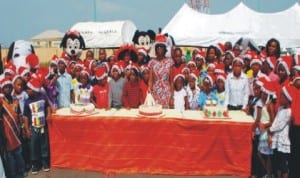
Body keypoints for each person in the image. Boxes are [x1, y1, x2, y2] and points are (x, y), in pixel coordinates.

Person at [23, 78, 51, 175]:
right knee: (34, 147)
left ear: (34, 89)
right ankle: (35, 164)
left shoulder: (43, 97)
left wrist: (48, 114)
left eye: (29, 89)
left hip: (43, 127)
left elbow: (47, 106)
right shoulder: (27, 102)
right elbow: (26, 116)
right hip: (33, 128)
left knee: (44, 146)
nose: (27, 91)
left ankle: (45, 163)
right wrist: (26, 129)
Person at [0, 78, 25, 178]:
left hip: (17, 131)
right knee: (10, 156)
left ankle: (21, 171)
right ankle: (13, 174)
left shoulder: (15, 100)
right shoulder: (1, 103)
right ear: (2, 89)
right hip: (7, 133)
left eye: (9, 87)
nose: (8, 89)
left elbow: (19, 115)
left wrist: (22, 128)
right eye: (5, 87)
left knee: (19, 153)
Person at [267, 86, 293, 178]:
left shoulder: (289, 112)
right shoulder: (281, 109)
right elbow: (275, 121)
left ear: (287, 98)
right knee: (277, 164)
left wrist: (270, 130)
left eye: (282, 96)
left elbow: (280, 125)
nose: (279, 98)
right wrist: (271, 133)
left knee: (283, 165)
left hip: (282, 140)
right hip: (276, 139)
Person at [255, 80, 275, 178]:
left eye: (265, 93)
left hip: (267, 132)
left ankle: (269, 174)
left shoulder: (269, 105)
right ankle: (268, 173)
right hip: (263, 132)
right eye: (262, 93)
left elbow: (273, 121)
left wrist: (265, 125)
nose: (263, 95)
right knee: (260, 153)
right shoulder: (261, 104)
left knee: (267, 156)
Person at [148, 34, 174, 108]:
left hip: (166, 92)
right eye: (158, 46)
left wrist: (172, 97)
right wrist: (149, 92)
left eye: (161, 46)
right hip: (155, 92)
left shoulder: (170, 62)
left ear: (165, 48)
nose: (159, 48)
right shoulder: (152, 62)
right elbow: (151, 80)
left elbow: (171, 81)